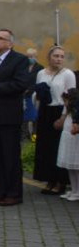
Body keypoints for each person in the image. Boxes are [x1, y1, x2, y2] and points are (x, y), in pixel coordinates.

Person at [0, 29, 30, 206]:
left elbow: (20, 84)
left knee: (10, 156)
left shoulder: (20, 60)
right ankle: (0, 190)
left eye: (1, 38)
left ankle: (14, 193)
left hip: (8, 116)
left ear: (10, 43)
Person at [33, 47, 75, 194]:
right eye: (56, 56)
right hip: (45, 111)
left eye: (62, 56)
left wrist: (63, 117)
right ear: (49, 57)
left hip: (59, 111)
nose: (59, 59)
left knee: (58, 147)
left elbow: (71, 98)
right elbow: (37, 93)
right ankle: (49, 179)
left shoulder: (68, 74)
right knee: (46, 147)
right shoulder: (41, 73)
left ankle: (61, 181)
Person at [55, 87, 79, 200]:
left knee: (76, 166)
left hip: (75, 140)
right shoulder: (68, 112)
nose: (64, 103)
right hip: (67, 138)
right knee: (70, 167)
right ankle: (74, 189)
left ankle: (77, 191)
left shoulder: (75, 113)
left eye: (66, 100)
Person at [23, 47, 43, 140]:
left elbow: (40, 82)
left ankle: (35, 135)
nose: (29, 58)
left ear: (35, 57)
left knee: (35, 116)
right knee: (25, 116)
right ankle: (25, 134)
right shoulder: (23, 67)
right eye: (28, 56)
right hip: (24, 95)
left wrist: (30, 89)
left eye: (31, 56)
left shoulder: (40, 68)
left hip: (34, 94)